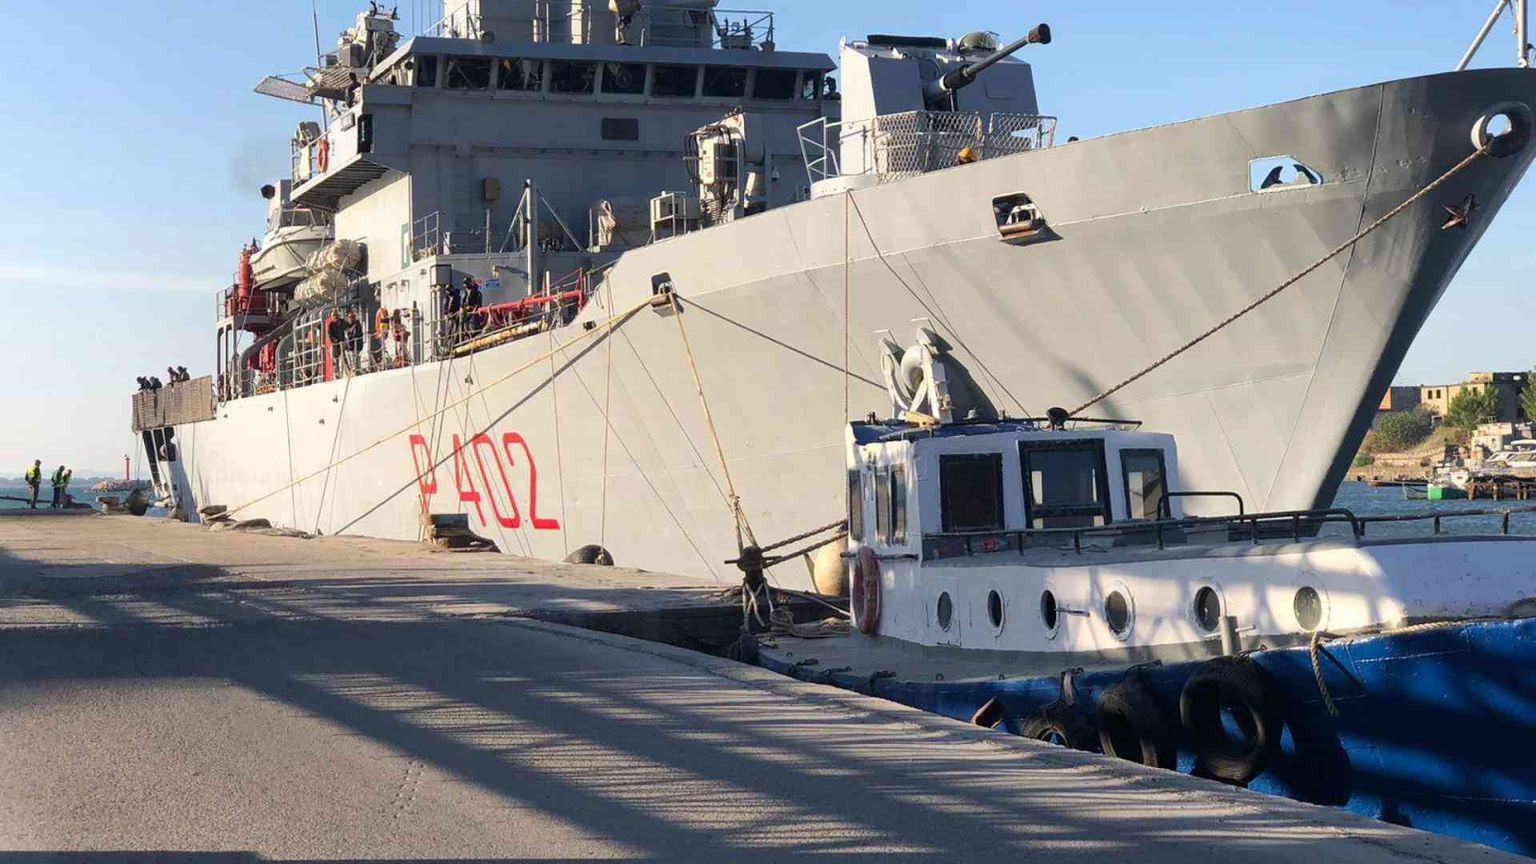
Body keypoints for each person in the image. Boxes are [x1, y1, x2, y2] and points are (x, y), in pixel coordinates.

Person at [325, 312, 347, 378]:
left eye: (336, 316)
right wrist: (334, 340)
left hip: (342, 342)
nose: (335, 317)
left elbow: (347, 326)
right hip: (335, 344)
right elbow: (329, 335)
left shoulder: (342, 322)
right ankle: (337, 372)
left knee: (344, 357)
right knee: (336, 359)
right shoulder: (331, 325)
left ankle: (347, 370)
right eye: (334, 316)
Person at [345, 309, 364, 374]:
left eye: (351, 317)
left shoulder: (356, 325)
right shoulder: (350, 326)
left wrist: (349, 336)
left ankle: (356, 370)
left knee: (355, 359)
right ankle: (356, 370)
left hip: (355, 346)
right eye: (349, 317)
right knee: (353, 359)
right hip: (351, 347)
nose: (350, 319)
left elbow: (356, 335)